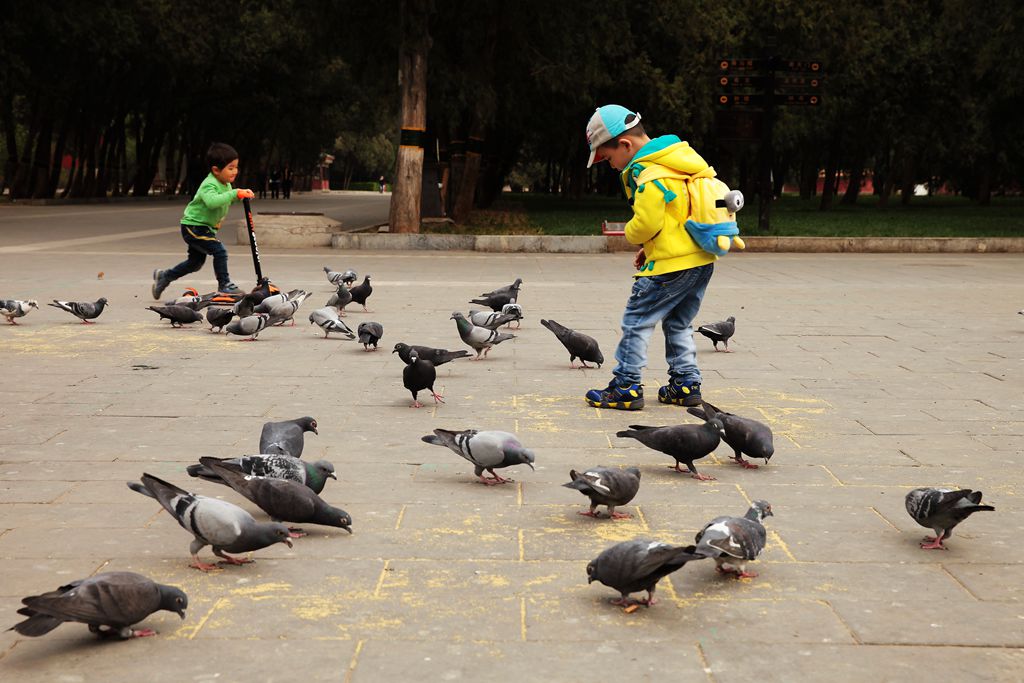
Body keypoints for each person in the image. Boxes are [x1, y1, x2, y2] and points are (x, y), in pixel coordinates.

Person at [583, 105, 717, 411]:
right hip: (699, 259)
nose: (612, 166)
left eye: (608, 157)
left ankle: (626, 387)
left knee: (636, 323)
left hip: (669, 268)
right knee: (679, 323)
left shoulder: (648, 174)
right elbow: (678, 214)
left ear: (626, 145)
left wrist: (632, 234)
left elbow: (645, 224)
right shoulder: (680, 164)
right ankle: (686, 384)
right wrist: (652, 246)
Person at [151, 142, 254, 299]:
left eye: (236, 167)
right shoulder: (209, 184)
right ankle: (224, 284)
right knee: (219, 251)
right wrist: (234, 193)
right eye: (231, 168)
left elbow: (225, 200)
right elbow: (212, 202)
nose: (235, 171)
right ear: (216, 170)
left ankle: (165, 276)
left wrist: (240, 196)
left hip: (204, 228)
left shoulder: (225, 183)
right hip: (194, 226)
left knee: (195, 263)